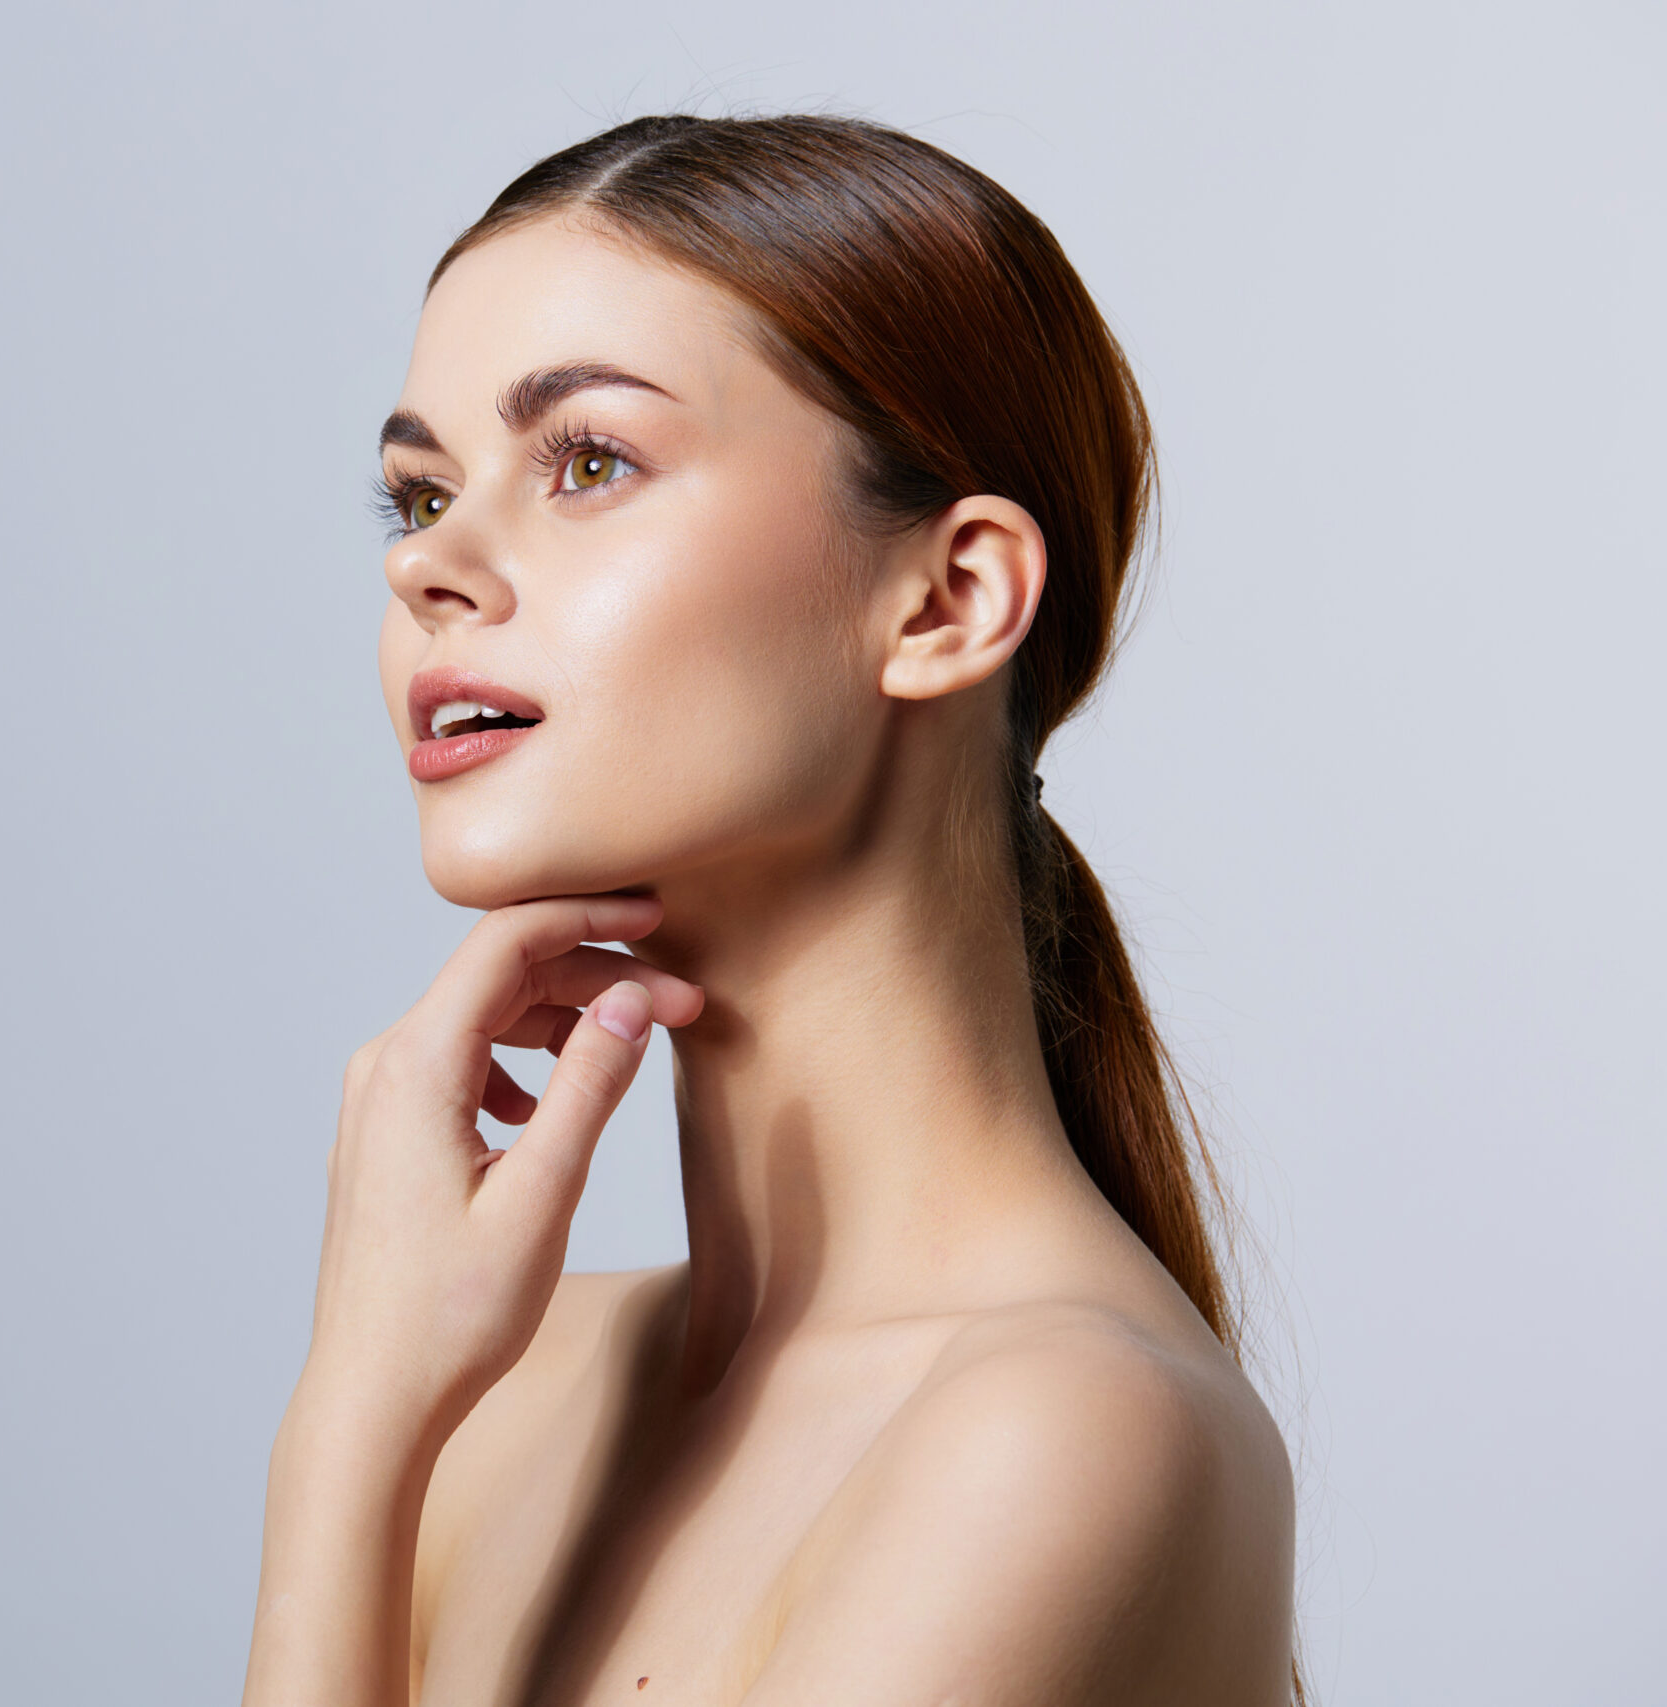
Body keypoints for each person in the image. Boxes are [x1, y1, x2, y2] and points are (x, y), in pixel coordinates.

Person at [241, 115, 1296, 1706]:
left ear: (948, 602)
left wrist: (346, 1447)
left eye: (585, 461)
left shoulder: (1060, 1432)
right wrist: (355, 1425)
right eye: (418, 494)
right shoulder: (495, 1402)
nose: (432, 567)